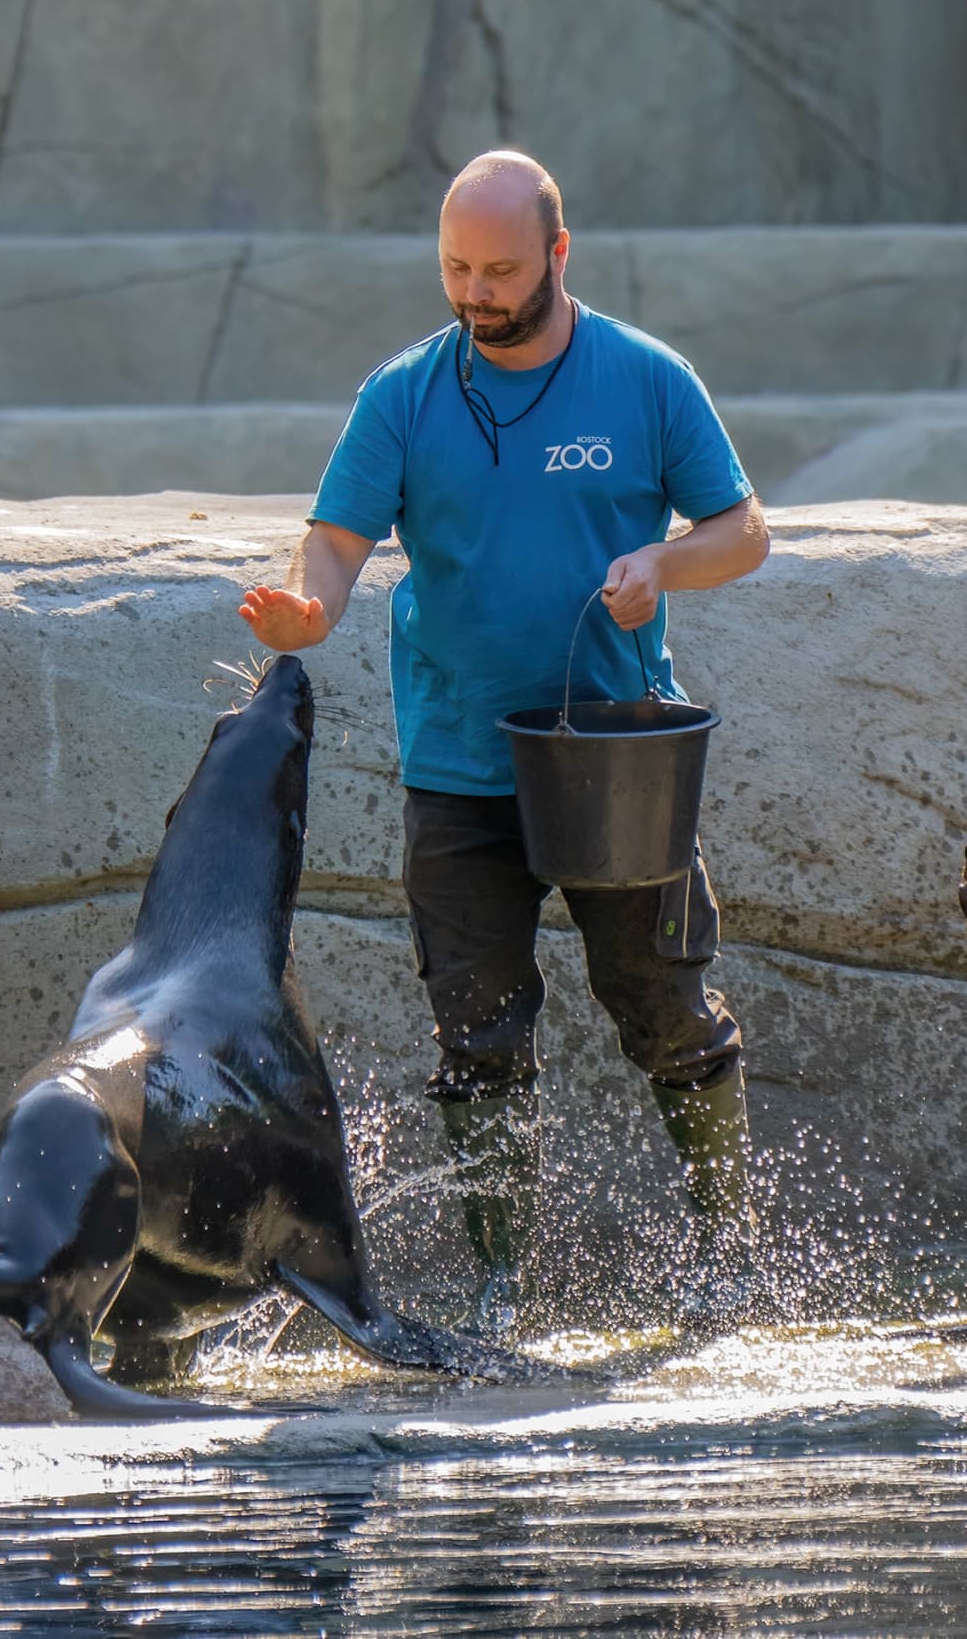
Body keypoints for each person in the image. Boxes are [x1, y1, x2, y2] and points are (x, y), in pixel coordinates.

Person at [238, 150, 771, 1333]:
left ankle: (732, 1262)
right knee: (479, 1039)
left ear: (558, 256)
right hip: (463, 768)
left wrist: (664, 564)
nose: (476, 294)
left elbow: (742, 531)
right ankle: (501, 1292)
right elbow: (334, 537)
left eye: (501, 270)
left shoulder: (643, 379)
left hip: (615, 757)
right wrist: (312, 605)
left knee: (669, 1013)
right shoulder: (405, 394)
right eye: (456, 270)